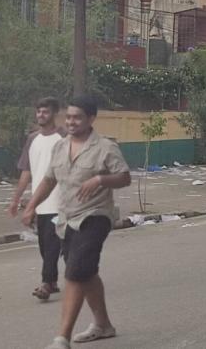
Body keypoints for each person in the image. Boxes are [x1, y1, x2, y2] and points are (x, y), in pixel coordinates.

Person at [22, 96, 131, 349]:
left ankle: (61, 338)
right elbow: (49, 181)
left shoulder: (105, 147)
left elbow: (124, 177)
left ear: (91, 119)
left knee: (74, 271)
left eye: (77, 117)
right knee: (86, 271)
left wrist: (100, 180)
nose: (71, 122)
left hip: (95, 217)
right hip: (68, 218)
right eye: (69, 117)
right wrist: (30, 207)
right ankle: (103, 325)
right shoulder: (60, 147)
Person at [9, 97, 66, 301]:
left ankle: (45, 284)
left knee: (51, 243)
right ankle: (52, 280)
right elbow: (27, 171)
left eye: (46, 112)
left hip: (61, 202)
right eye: (39, 111)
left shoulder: (64, 138)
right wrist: (16, 200)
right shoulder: (33, 139)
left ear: (55, 114)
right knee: (44, 245)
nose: (41, 115)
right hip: (39, 203)